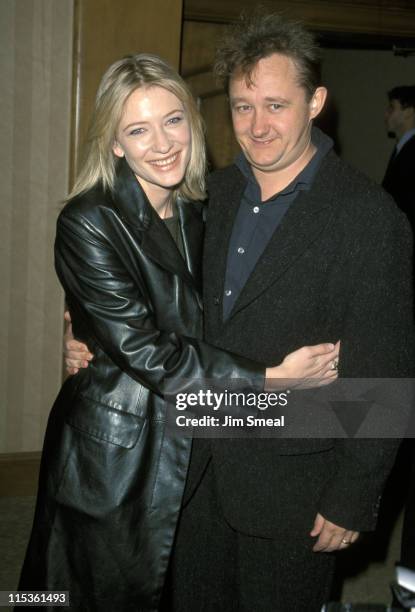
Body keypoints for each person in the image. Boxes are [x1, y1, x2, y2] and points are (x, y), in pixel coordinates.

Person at [64, 13, 414, 612]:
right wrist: (89, 341)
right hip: (192, 473)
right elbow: (157, 306)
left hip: (294, 491)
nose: (257, 125)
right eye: (242, 106)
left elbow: (387, 371)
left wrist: (353, 495)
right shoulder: (210, 196)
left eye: (276, 105)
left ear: (315, 103)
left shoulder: (370, 219)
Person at [19, 53, 340, 612]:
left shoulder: (203, 211)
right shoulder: (88, 219)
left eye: (172, 121)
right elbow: (145, 348)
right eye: (138, 130)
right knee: (77, 596)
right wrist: (268, 378)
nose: (162, 143)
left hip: (192, 428)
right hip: (116, 455)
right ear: (116, 144)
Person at [382, 85, 415, 229]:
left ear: (408, 112)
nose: (386, 114)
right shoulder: (402, 149)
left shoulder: (412, 151)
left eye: (392, 108)